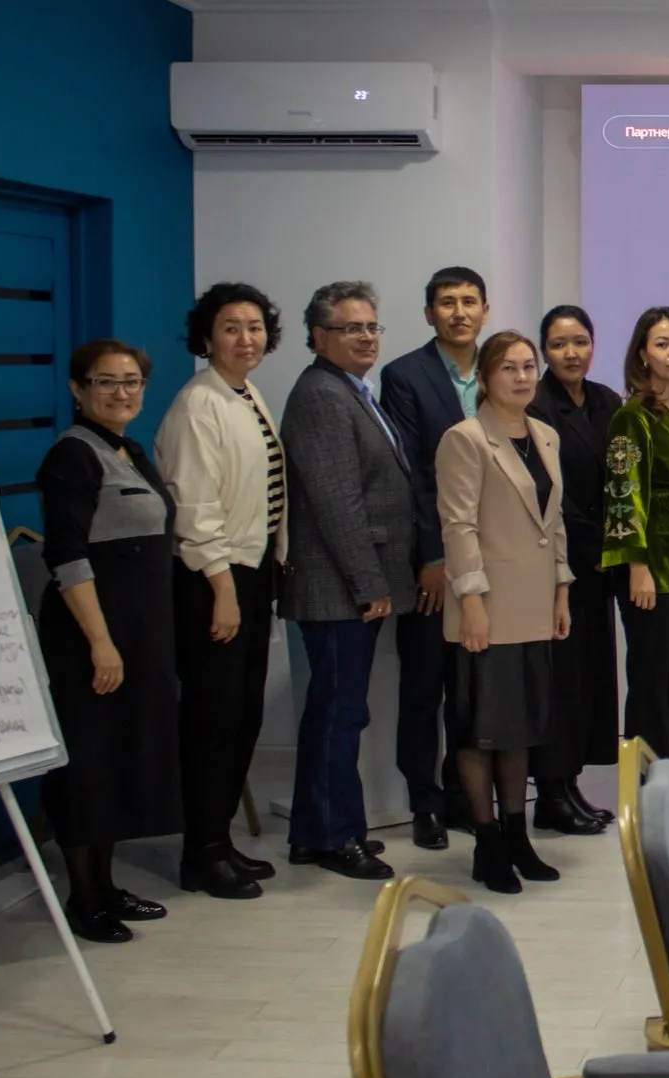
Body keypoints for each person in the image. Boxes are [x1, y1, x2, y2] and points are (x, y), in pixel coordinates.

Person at [35, 339, 183, 943]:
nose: (122, 393)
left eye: (132, 382)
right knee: (88, 764)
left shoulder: (128, 449)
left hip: (138, 632)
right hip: (90, 635)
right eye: (106, 382)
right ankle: (83, 898)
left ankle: (106, 886)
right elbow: (67, 557)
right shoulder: (72, 456)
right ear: (78, 389)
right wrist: (100, 642)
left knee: (121, 758)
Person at [154, 283, 287, 901]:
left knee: (242, 714)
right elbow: (194, 508)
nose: (245, 338)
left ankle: (220, 839)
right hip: (214, 578)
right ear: (206, 338)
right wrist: (224, 589)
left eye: (255, 327)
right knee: (213, 719)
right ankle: (201, 853)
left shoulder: (244, 393)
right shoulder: (197, 404)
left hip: (251, 573)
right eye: (231, 328)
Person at [280, 282, 414, 881]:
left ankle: (317, 831)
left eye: (371, 326)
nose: (365, 337)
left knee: (339, 711)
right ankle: (336, 836)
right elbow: (337, 504)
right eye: (350, 327)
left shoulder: (351, 389)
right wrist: (368, 582)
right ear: (318, 337)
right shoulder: (321, 396)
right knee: (339, 714)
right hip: (337, 588)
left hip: (350, 583)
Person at [436, 331, 572, 893]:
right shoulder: (465, 439)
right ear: (486, 378)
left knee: (519, 727)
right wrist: (470, 600)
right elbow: (458, 527)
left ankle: (517, 834)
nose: (521, 377)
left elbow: (553, 523)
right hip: (486, 606)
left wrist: (561, 589)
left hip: (533, 603)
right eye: (508, 368)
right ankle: (487, 843)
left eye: (528, 367)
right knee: (480, 729)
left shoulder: (545, 435)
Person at [379, 266, 488, 851]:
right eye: (447, 302)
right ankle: (423, 802)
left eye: (469, 301)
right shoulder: (405, 375)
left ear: (485, 310)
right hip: (433, 561)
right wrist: (432, 555)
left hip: (491, 560)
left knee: (471, 690)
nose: (459, 312)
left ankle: (461, 798)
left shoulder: (500, 369)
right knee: (424, 688)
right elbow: (413, 476)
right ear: (429, 314)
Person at [603, 307, 669, 814]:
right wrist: (637, 566)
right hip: (652, 570)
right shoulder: (632, 416)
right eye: (663, 344)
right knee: (651, 687)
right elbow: (622, 494)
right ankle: (650, 799)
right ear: (643, 353)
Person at [526, 306, 620, 835]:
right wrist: (593, 542)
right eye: (559, 344)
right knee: (559, 679)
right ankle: (551, 792)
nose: (571, 353)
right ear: (545, 350)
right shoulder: (535, 404)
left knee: (588, 677)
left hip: (602, 566)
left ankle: (571, 784)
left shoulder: (606, 401)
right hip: (558, 563)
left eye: (580, 341)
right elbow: (548, 493)